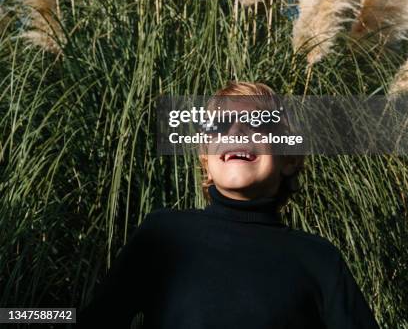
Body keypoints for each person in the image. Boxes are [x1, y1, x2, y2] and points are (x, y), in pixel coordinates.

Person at [76, 81, 380, 328]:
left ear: (288, 159)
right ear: (206, 163)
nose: (236, 132)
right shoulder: (163, 234)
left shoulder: (319, 259)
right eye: (219, 127)